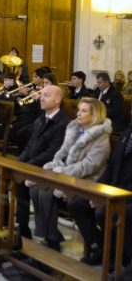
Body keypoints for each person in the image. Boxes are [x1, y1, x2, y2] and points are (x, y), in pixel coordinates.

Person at [30, 97, 112, 251]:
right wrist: (56, 166)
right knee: (35, 189)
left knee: (47, 193)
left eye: (84, 111)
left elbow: (88, 166)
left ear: (95, 115)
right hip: (66, 175)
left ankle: (52, 240)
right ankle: (49, 234)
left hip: (85, 180)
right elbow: (63, 154)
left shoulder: (101, 137)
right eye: (78, 110)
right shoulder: (75, 129)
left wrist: (61, 172)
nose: (78, 114)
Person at [0, 85, 69, 237]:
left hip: (47, 168)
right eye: (41, 94)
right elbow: (30, 145)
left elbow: (52, 153)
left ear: (58, 99)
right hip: (31, 164)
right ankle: (5, 217)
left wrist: (27, 165)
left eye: (46, 95)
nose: (41, 98)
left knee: (20, 180)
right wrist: (19, 162)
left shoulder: (63, 123)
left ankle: (23, 225)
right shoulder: (40, 119)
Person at [67, 124, 132, 266]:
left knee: (103, 212)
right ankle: (102, 248)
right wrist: (96, 191)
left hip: (127, 197)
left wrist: (109, 198)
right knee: (76, 204)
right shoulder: (127, 133)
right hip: (113, 190)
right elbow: (111, 167)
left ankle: (120, 257)